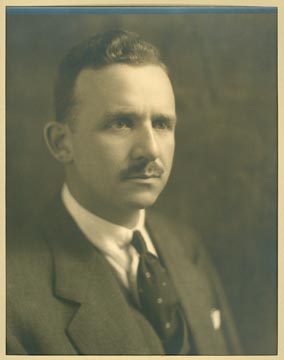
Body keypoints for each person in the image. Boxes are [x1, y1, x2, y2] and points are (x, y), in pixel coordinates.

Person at [6, 29, 242, 355]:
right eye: (121, 123)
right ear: (62, 143)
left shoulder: (184, 245)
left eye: (161, 124)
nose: (150, 150)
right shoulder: (12, 293)